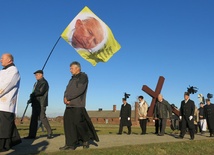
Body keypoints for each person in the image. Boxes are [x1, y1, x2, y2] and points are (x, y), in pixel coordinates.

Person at [59, 61, 99, 151]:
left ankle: (85, 139)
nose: (70, 70)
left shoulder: (83, 77)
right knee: (68, 125)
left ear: (78, 68)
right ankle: (70, 144)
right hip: (69, 106)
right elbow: (67, 90)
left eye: (72, 68)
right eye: (70, 68)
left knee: (78, 123)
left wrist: (68, 97)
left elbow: (79, 89)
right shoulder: (72, 79)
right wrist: (65, 98)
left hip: (78, 105)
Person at [0, 53, 21, 152]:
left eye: (2, 58)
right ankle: (11, 142)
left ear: (9, 60)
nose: (0, 60)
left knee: (4, 126)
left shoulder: (13, 71)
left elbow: (7, 85)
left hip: (6, 104)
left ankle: (4, 146)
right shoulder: (3, 71)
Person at [24, 70, 53, 139]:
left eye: (37, 75)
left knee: (42, 117)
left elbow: (40, 92)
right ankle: (31, 135)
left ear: (41, 75)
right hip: (35, 103)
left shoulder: (44, 82)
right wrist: (31, 99)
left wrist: (32, 94)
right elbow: (35, 93)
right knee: (33, 119)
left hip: (41, 103)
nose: (35, 76)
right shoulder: (36, 83)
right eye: (35, 75)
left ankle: (50, 133)